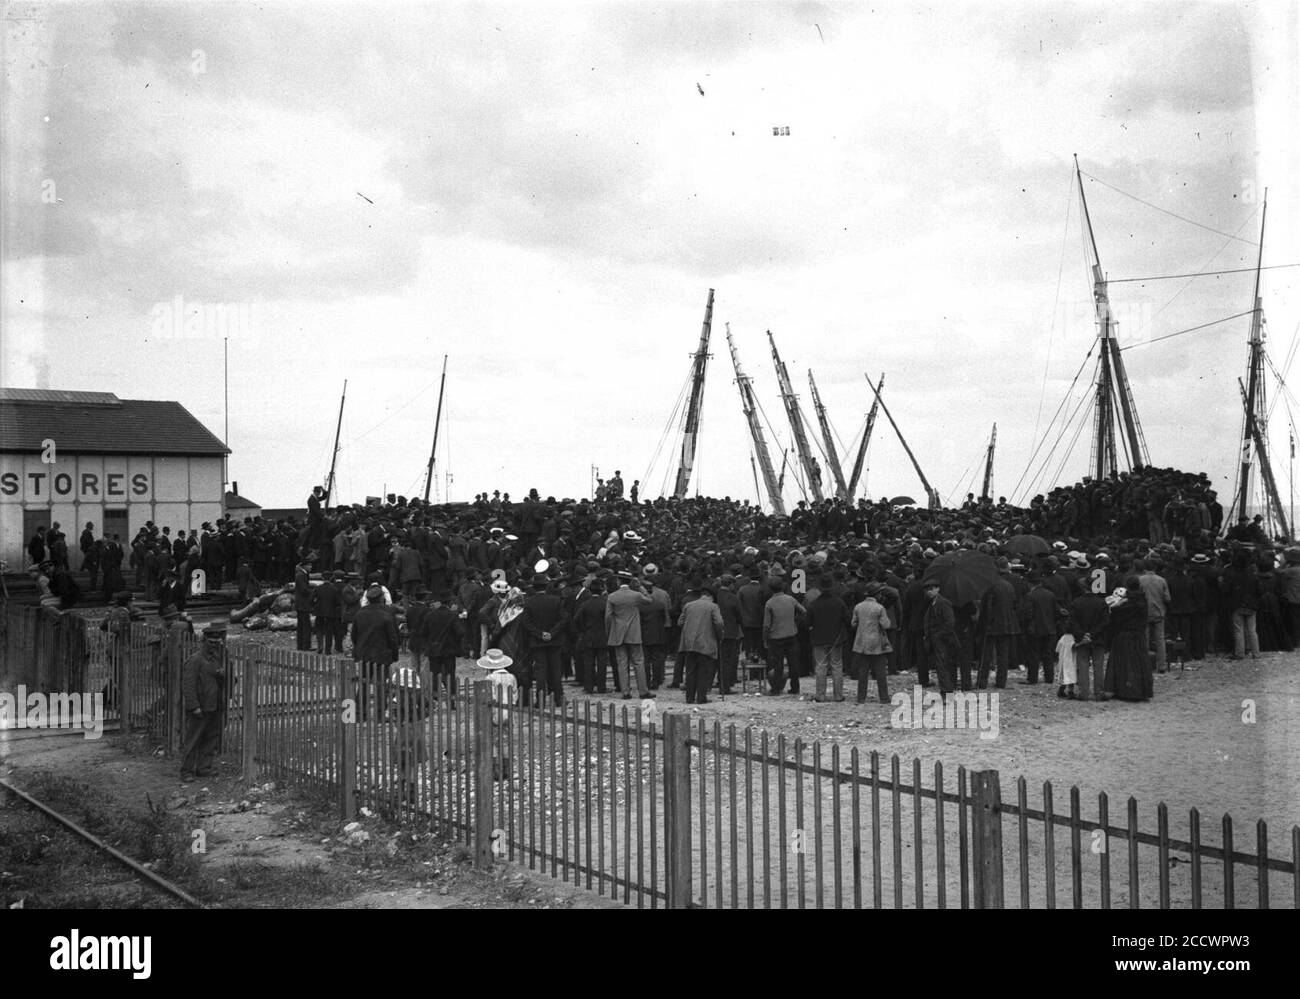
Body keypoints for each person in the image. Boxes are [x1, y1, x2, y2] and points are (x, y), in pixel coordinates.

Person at [180, 624, 227, 782]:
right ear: (204, 641)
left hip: (214, 705)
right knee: (193, 739)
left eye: (217, 642)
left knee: (211, 738)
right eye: (211, 642)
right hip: (200, 707)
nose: (214, 645)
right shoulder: (195, 660)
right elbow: (188, 685)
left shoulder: (217, 659)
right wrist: (194, 707)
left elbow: (220, 679)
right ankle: (187, 771)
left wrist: (223, 675)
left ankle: (203, 768)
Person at [352, 584, 400, 721]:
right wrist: (394, 655)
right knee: (381, 686)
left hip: (364, 655)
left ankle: (359, 714)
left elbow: (354, 636)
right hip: (382, 655)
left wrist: (359, 649)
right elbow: (393, 637)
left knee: (363, 685)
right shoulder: (387, 613)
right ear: (381, 598)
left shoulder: (360, 613)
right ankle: (380, 715)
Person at [605, 571, 652, 700]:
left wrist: (610, 632)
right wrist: (641, 587)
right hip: (634, 633)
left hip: (618, 633)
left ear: (618, 582)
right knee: (638, 662)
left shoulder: (612, 597)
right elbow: (649, 600)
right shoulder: (636, 595)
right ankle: (643, 691)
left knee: (622, 663)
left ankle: (625, 692)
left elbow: (608, 617)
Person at [1104, 579, 1152, 701]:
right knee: (1139, 662)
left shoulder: (1126, 603)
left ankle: (1127, 691)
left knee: (1125, 663)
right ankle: (1141, 690)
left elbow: (1115, 615)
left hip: (1124, 635)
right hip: (1139, 635)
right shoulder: (1143, 600)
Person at [678, 580, 724, 704]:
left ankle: (689, 698)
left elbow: (680, 622)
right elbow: (719, 622)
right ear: (711, 596)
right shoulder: (713, 606)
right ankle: (701, 697)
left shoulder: (689, 605)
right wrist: (720, 635)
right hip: (705, 642)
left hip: (689, 643)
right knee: (704, 671)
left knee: (690, 670)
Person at [808, 574, 850, 702]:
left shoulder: (814, 604)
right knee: (837, 666)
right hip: (836, 638)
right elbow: (847, 620)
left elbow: (807, 623)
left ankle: (820, 695)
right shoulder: (839, 602)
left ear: (819, 588)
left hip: (819, 639)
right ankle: (838, 695)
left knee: (821, 666)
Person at [850, 581, 892, 704]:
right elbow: (886, 624)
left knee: (863, 671)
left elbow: (853, 623)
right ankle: (884, 698)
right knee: (880, 671)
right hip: (876, 642)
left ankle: (861, 697)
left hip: (861, 642)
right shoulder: (879, 608)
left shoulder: (858, 606)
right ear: (877, 594)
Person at [921, 581, 959, 699]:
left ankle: (946, 693)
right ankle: (947, 691)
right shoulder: (933, 603)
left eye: (932, 589)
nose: (929, 592)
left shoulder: (943, 603)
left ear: (938, 589)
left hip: (944, 640)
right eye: (928, 590)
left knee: (942, 666)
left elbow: (950, 622)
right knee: (942, 666)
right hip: (938, 640)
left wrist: (938, 635)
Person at [1136, 559, 1172, 674]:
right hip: (1159, 613)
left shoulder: (1140, 580)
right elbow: (1167, 598)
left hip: (1144, 613)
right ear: (1155, 568)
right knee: (1160, 639)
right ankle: (1162, 666)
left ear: (1145, 568)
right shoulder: (1162, 580)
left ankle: (1145, 665)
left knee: (1144, 639)